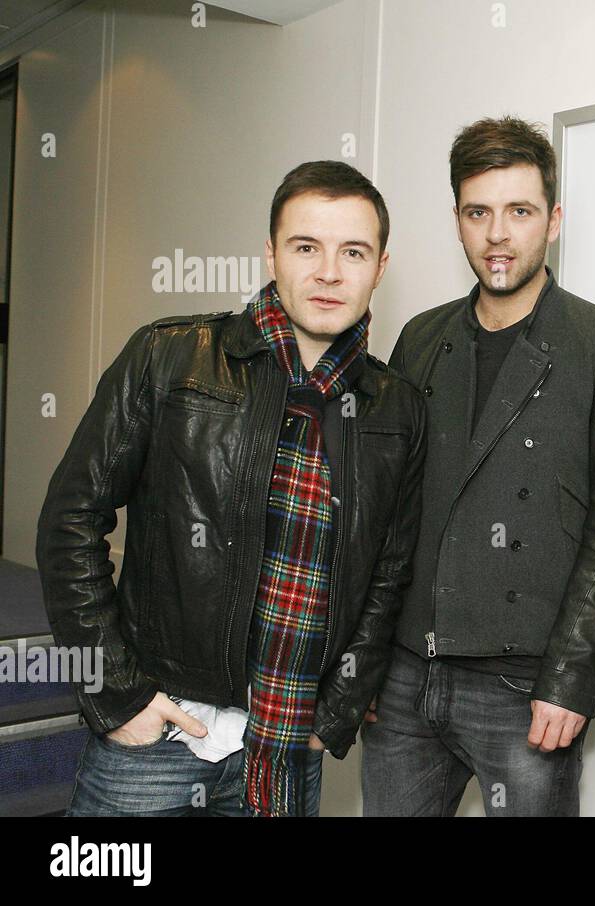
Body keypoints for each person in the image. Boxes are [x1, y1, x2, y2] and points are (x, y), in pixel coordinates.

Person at [37, 160, 426, 817]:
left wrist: (332, 712)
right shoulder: (169, 355)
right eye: (307, 247)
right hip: (156, 735)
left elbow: (388, 576)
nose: (329, 271)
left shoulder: (396, 408)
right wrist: (117, 693)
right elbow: (70, 523)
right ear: (271, 253)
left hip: (283, 752)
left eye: (352, 252)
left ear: (379, 266)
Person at [361, 116, 595, 816]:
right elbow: (386, 515)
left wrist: (573, 674)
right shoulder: (420, 337)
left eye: (518, 212)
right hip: (404, 678)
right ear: (457, 220)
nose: (498, 234)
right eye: (478, 212)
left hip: (525, 688)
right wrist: (362, 662)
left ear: (552, 221)